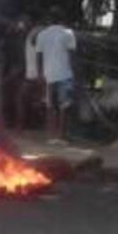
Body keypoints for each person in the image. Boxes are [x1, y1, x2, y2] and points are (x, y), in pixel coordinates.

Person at [36, 7, 77, 138]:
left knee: (50, 105)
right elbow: (72, 56)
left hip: (48, 74)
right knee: (64, 106)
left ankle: (50, 134)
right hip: (65, 74)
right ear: (62, 19)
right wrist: (75, 72)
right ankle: (62, 135)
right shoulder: (68, 33)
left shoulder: (42, 34)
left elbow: (39, 56)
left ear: (49, 19)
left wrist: (40, 74)